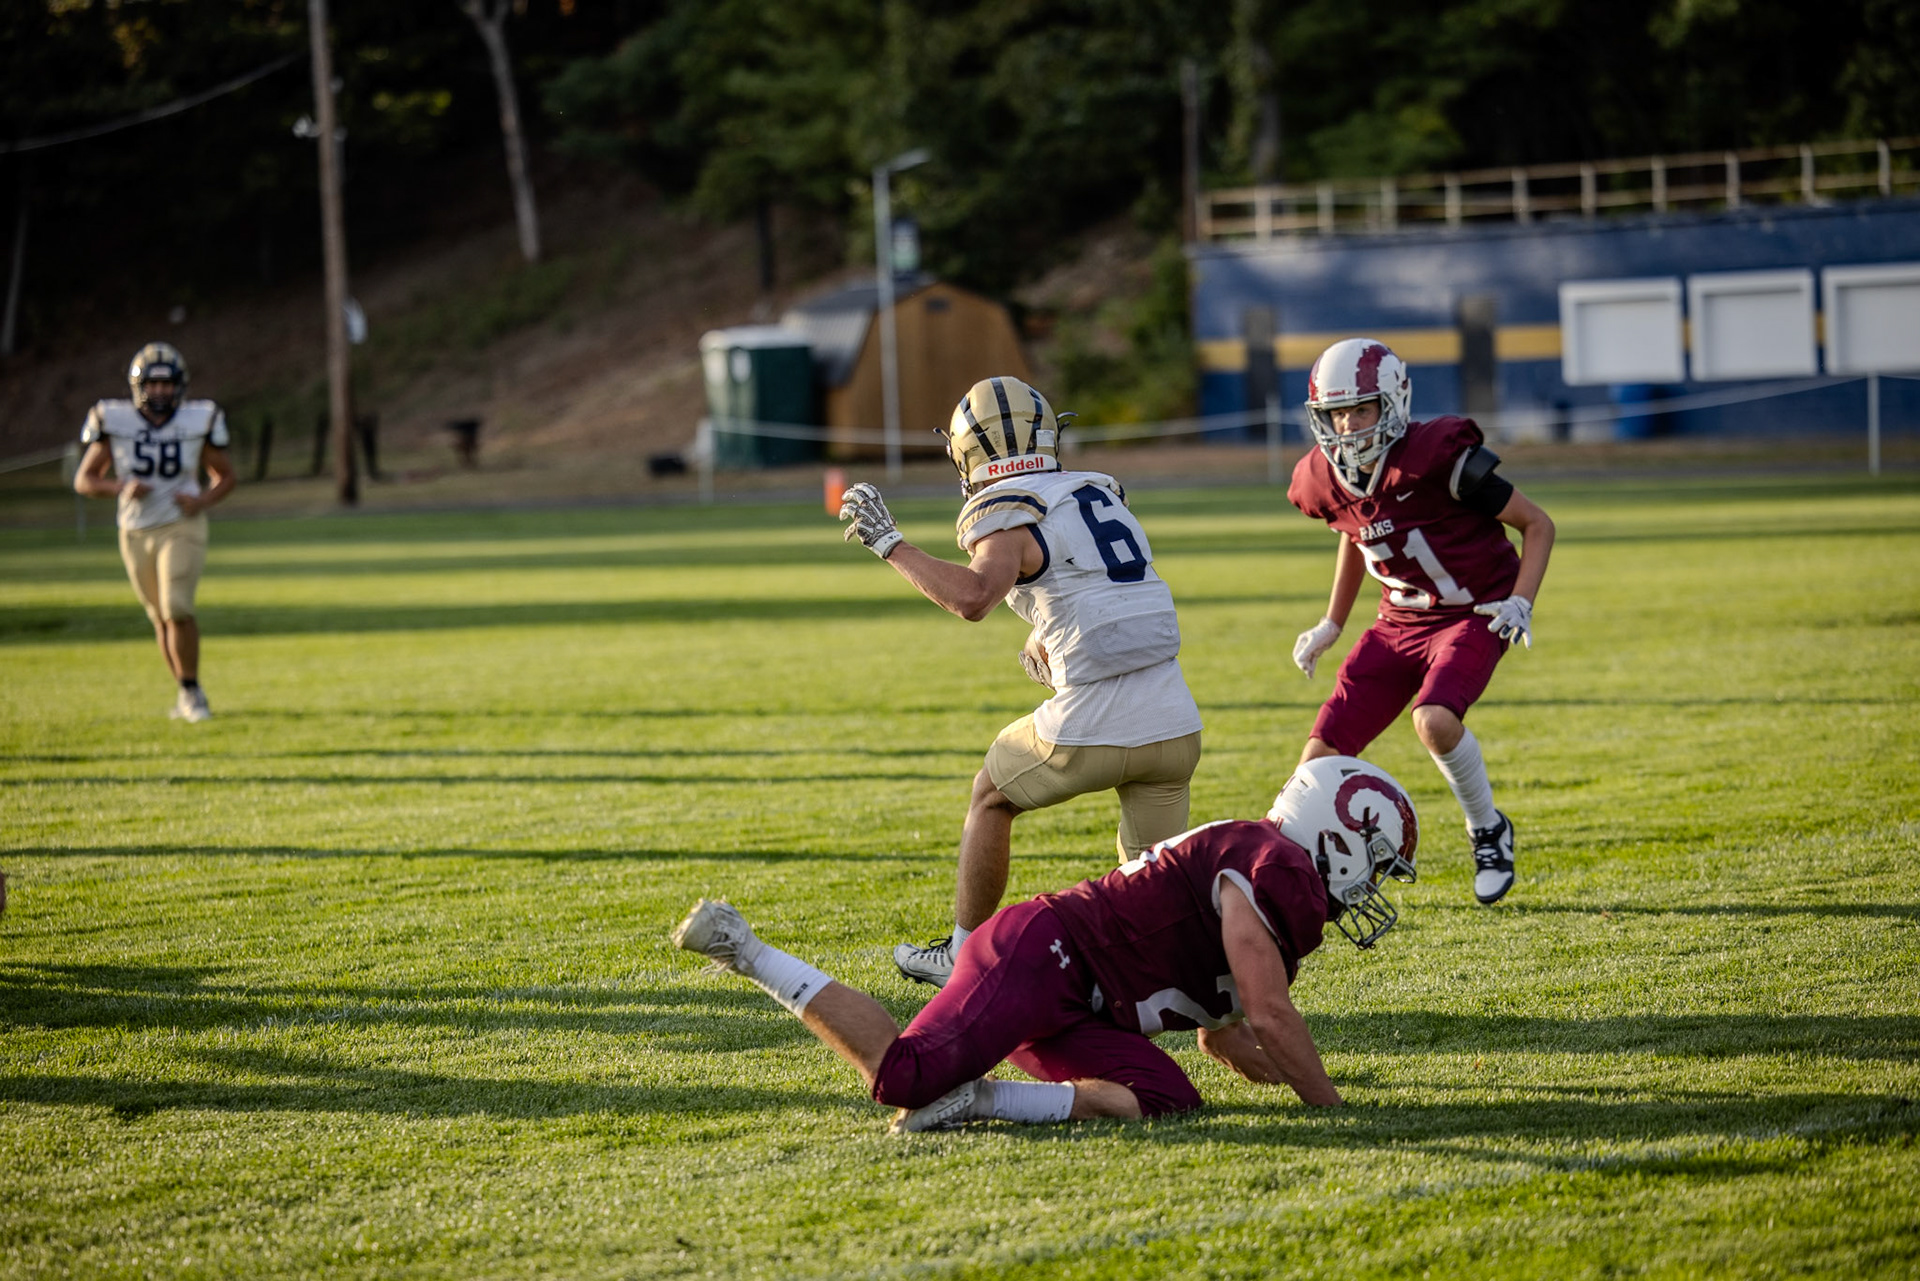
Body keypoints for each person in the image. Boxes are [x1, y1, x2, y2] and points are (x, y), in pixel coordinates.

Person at [672, 754, 1418, 1132]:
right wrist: (1331, 1107)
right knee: (904, 1076)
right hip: (1041, 953)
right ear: (1337, 834)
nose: (1371, 886)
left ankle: (984, 1099)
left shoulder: (1262, 871)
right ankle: (746, 948)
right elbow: (1271, 1013)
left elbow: (1227, 1039)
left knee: (1167, 1097)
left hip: (1078, 1002)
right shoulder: (1271, 864)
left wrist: (1296, 1081)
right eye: (1376, 863)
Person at [837, 376, 1203, 988]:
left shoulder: (1004, 511)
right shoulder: (1095, 491)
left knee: (990, 795)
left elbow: (976, 596)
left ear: (967, 452)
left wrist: (891, 544)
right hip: (1175, 722)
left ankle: (961, 954)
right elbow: (1104, 585)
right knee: (1152, 886)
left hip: (1094, 722)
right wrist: (1043, 626)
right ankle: (1190, 988)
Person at [1285, 337, 1555, 906]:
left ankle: (1487, 828)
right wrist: (1332, 622)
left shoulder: (1439, 456)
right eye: (1337, 412)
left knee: (1433, 720)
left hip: (1475, 611)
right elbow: (1353, 535)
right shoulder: (1323, 479)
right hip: (1396, 625)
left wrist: (1521, 600)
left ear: (1394, 402)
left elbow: (1537, 524)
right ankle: (1298, 878)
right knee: (1316, 761)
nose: (1349, 425)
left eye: (1362, 409)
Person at [73, 342, 237, 722]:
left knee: (177, 606)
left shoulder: (199, 419)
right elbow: (85, 479)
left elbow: (226, 476)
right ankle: (185, 689)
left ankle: (193, 692)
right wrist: (119, 488)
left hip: (182, 523)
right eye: (154, 384)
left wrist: (202, 501)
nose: (161, 392)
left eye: (168, 384)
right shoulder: (114, 419)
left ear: (180, 386)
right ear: (139, 386)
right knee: (160, 616)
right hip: (134, 528)